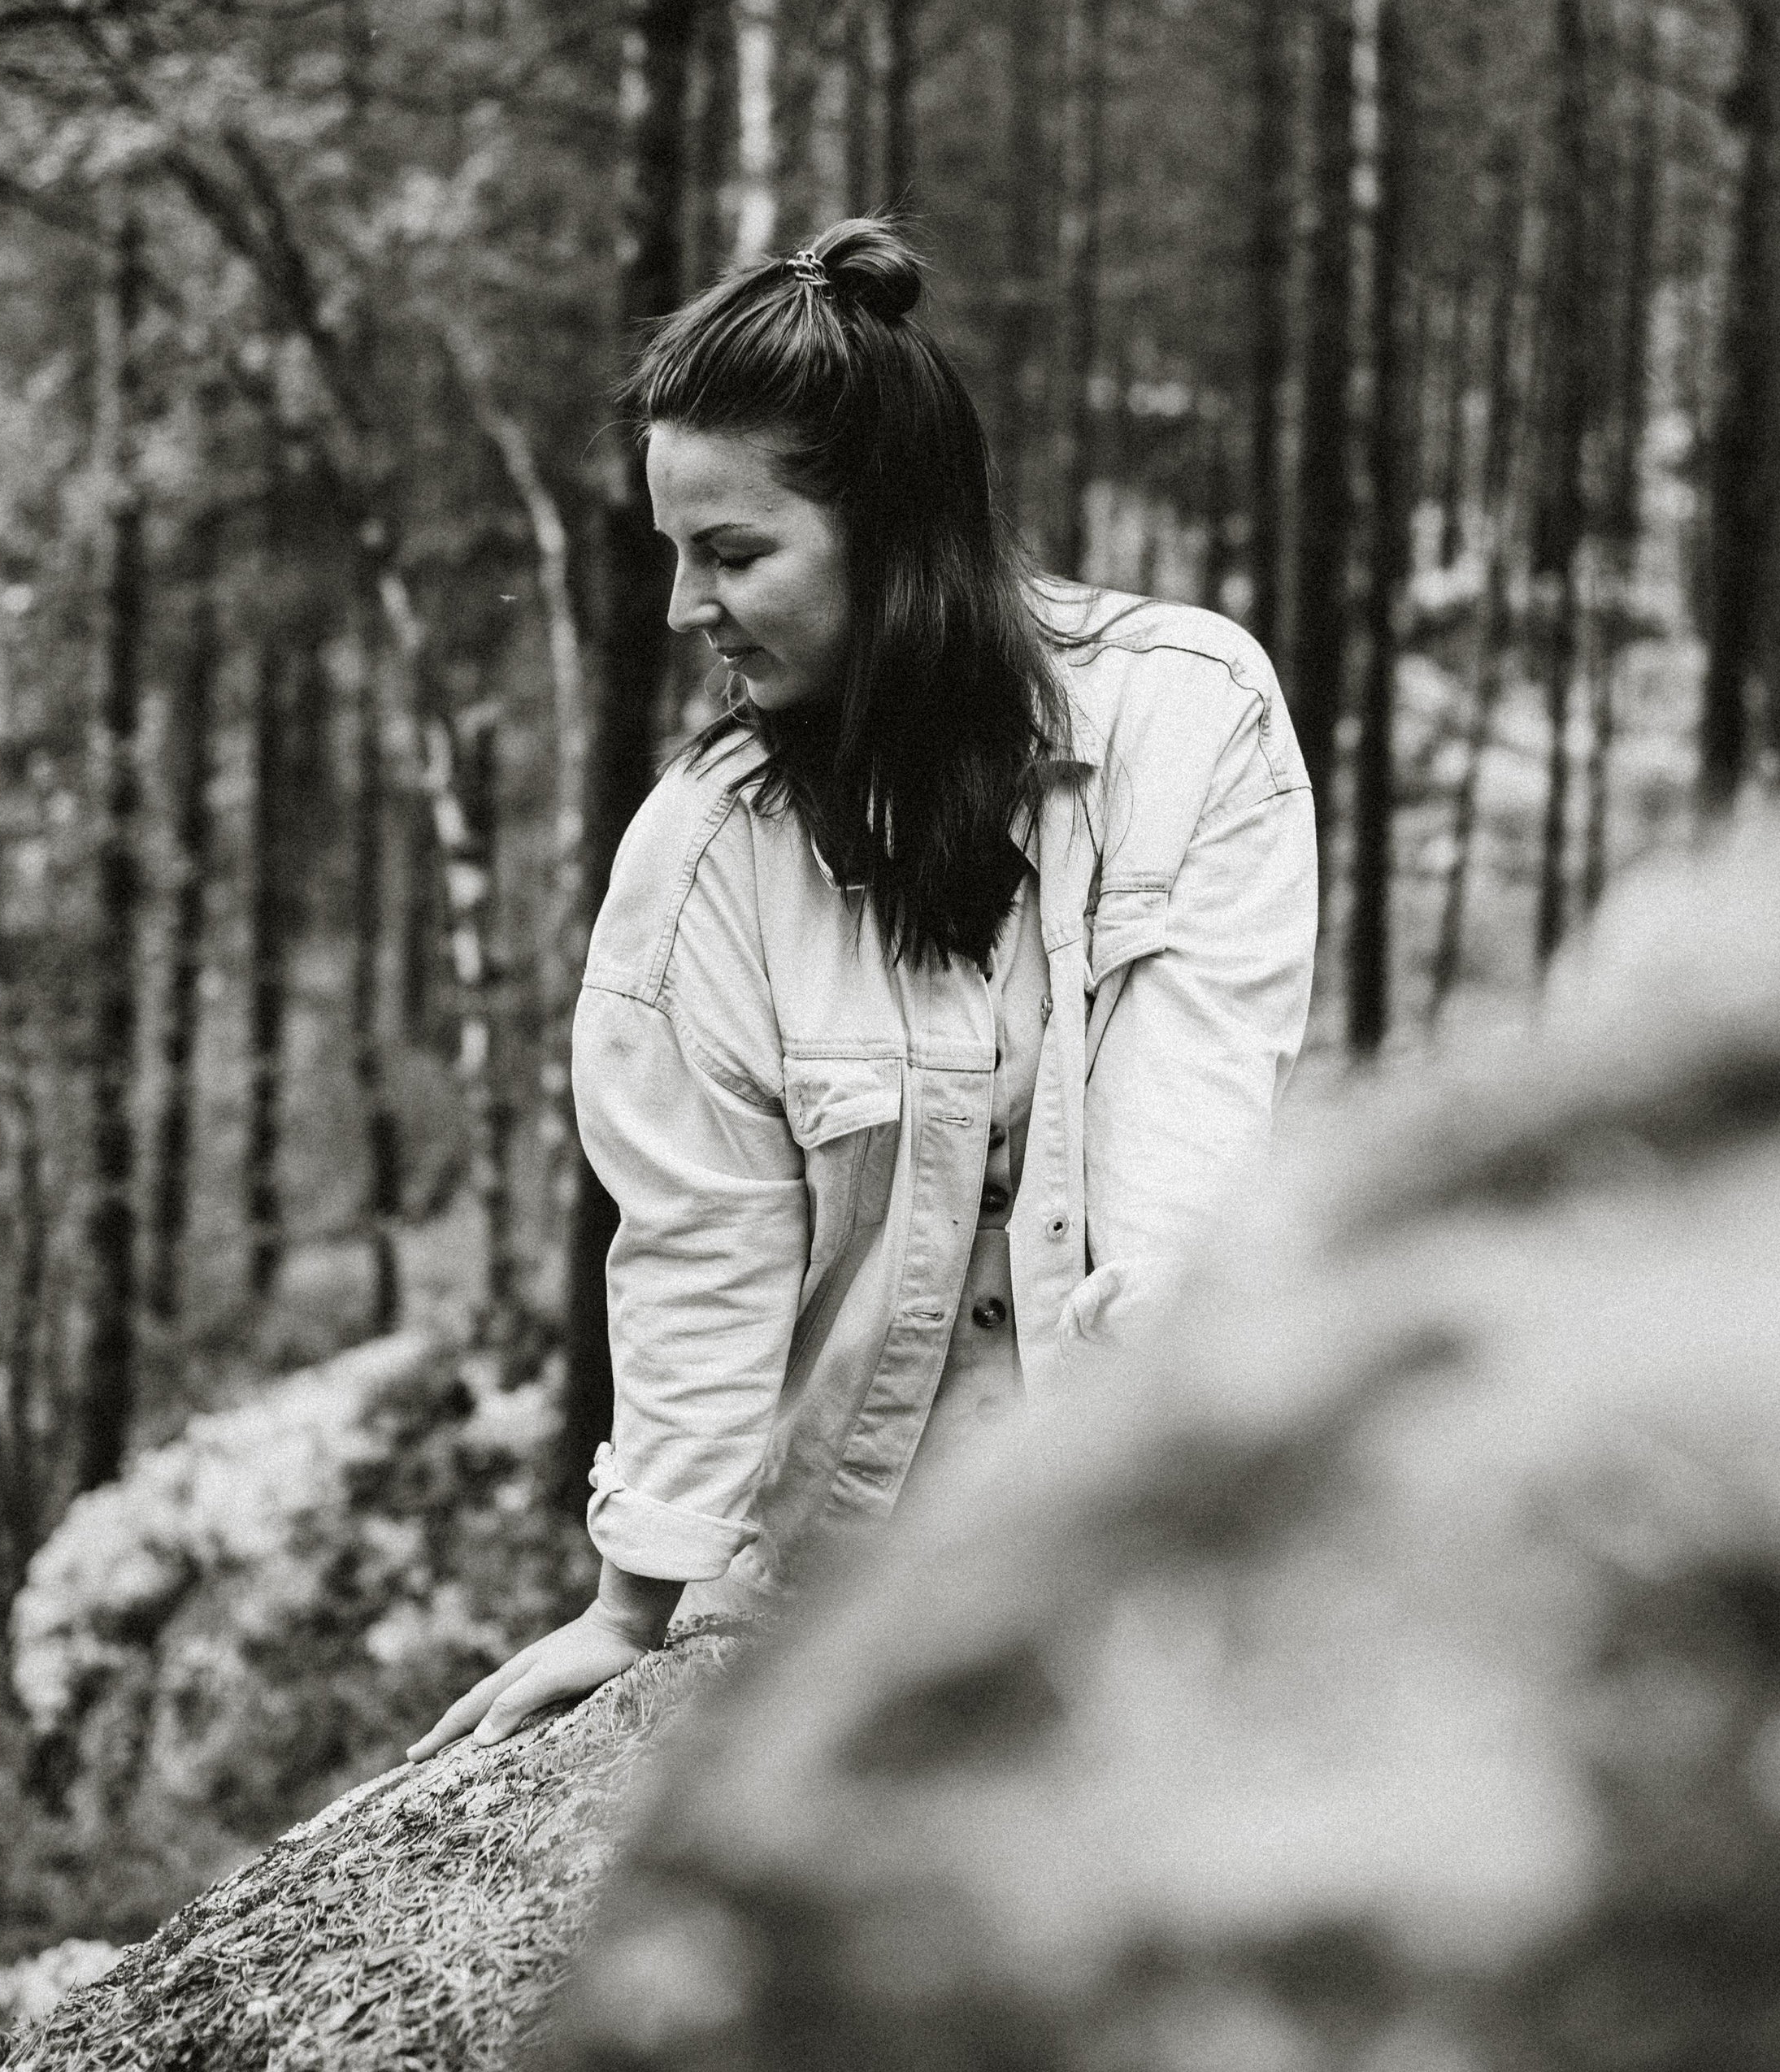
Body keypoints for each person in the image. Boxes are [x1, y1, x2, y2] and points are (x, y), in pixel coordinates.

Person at [410, 219, 1318, 1760]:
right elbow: (699, 1235)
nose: (686, 605)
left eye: (735, 551)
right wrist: (636, 1610)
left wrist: (1138, 1563)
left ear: (896, 533)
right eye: (672, 552)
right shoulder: (701, 859)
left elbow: (1188, 1155)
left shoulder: (1194, 719)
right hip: (809, 1611)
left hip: (1116, 1528)